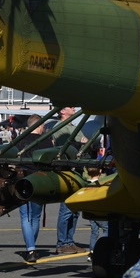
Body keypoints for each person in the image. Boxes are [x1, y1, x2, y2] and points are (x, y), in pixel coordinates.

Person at [17, 114, 53, 263]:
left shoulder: (20, 140)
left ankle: (30, 248)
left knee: (25, 216)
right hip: (39, 181)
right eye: (43, 126)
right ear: (38, 125)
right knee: (35, 217)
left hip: (23, 180)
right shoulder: (46, 141)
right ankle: (32, 246)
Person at [53, 107, 82, 254]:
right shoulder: (60, 128)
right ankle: (62, 243)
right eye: (71, 107)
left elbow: (84, 142)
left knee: (74, 210)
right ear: (62, 111)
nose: (74, 109)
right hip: (67, 171)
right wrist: (80, 143)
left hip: (76, 170)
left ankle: (69, 241)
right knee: (66, 210)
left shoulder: (71, 126)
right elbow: (67, 148)